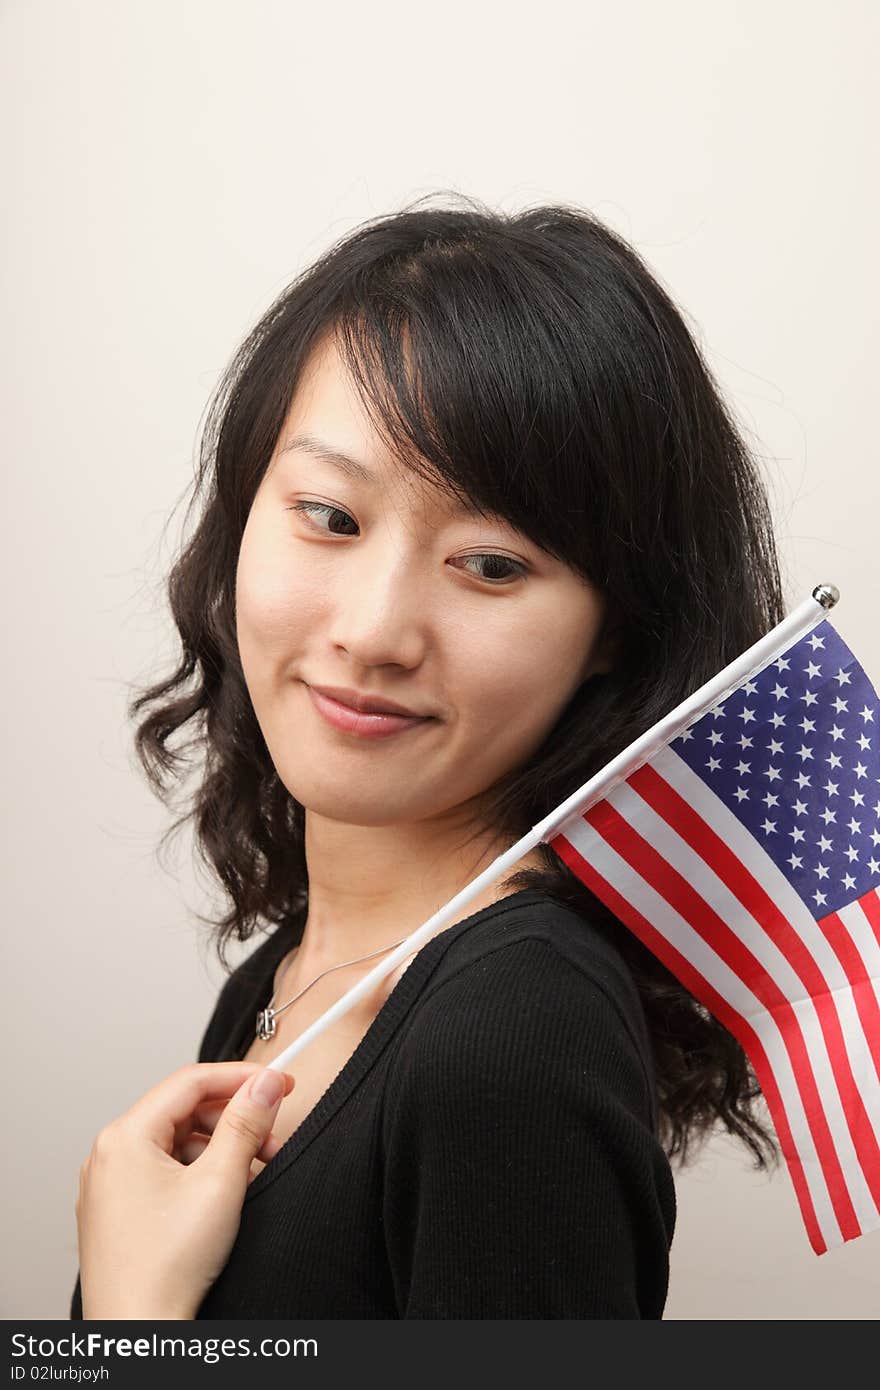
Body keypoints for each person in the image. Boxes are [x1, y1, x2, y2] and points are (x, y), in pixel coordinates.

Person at [70, 194, 784, 1320]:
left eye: (491, 566)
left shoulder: (510, 1041)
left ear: (614, 633)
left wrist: (128, 1323)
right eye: (329, 516)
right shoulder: (295, 969)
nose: (372, 630)